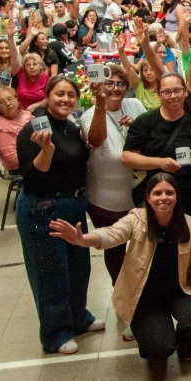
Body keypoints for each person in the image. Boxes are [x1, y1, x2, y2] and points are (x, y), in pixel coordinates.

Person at [49, 173, 191, 363]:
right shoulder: (136, 219)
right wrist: (82, 239)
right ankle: (157, 334)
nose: (163, 198)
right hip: (145, 296)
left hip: (180, 291)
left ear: (177, 196)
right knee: (159, 350)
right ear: (148, 197)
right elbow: (112, 234)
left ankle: (185, 341)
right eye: (157, 193)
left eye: (169, 193)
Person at [15, 75, 104, 353]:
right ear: (47, 96)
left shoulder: (71, 126)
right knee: (51, 273)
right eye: (59, 94)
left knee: (79, 267)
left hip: (74, 205)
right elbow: (31, 176)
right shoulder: (33, 129)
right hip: (44, 208)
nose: (65, 100)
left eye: (70, 95)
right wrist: (47, 151)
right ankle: (55, 334)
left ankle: (77, 317)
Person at [80, 69, 147, 300]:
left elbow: (153, 136)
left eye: (120, 83)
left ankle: (143, 292)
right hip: (105, 199)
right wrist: (100, 105)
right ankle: (122, 294)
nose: (116, 88)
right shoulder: (89, 115)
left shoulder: (135, 105)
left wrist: (137, 126)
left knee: (142, 248)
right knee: (115, 250)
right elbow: (96, 140)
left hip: (138, 194)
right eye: (110, 83)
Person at [123, 73, 191, 220]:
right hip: (153, 197)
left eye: (177, 90)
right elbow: (127, 158)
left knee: (186, 240)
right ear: (159, 95)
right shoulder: (145, 122)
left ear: (185, 92)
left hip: (187, 197)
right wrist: (161, 163)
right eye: (166, 92)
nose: (173, 96)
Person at [0, 87, 31, 171]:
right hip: (22, 165)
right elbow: (11, 157)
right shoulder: (1, 128)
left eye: (10, 99)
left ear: (17, 100)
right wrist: (40, 156)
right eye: (2, 102)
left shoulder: (25, 115)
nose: (8, 104)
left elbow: (44, 131)